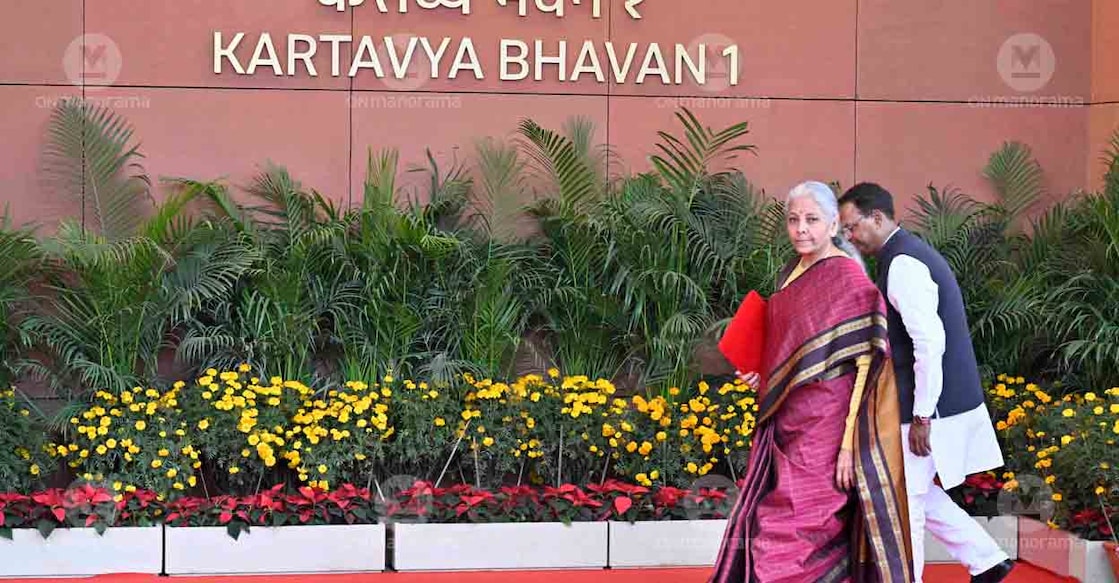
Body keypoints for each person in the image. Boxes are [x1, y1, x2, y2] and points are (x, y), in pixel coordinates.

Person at [710, 181, 914, 583]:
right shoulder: (790, 273)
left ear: (834, 222)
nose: (801, 229)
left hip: (826, 430)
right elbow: (786, 348)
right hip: (785, 423)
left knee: (795, 533)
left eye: (811, 220)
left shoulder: (851, 280)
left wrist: (846, 447)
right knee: (770, 523)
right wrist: (760, 373)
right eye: (793, 220)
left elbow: (867, 368)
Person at [837, 182, 1013, 583]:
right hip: (933, 404)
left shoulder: (903, 264)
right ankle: (987, 559)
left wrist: (921, 417)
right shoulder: (903, 255)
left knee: (906, 500)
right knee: (915, 493)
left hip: (927, 408)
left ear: (877, 218)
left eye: (852, 227)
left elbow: (929, 344)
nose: (849, 236)